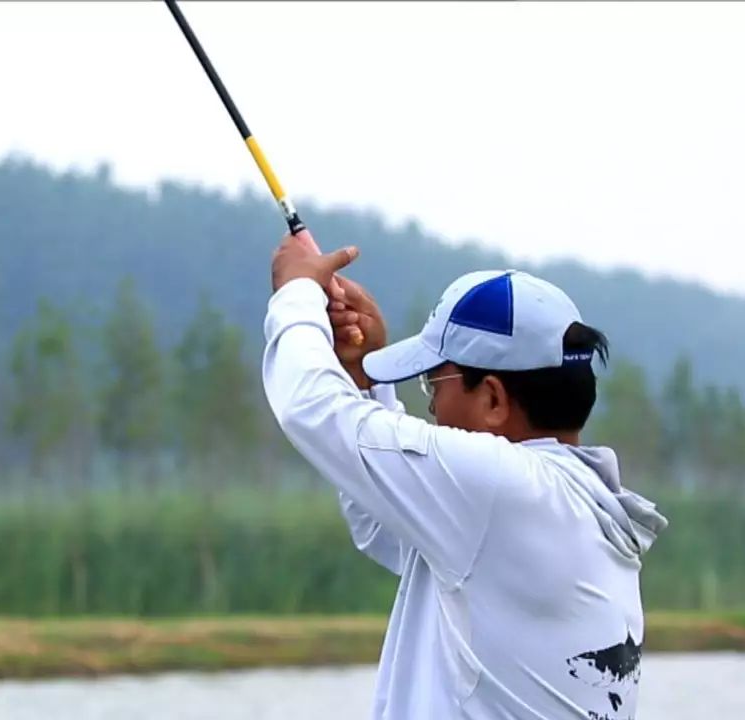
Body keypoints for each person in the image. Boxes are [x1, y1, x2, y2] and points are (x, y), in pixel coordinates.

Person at [262, 231, 668, 720]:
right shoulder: (578, 502)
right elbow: (383, 525)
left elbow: (311, 409)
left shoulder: (505, 489)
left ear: (494, 399)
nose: (430, 406)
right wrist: (360, 381)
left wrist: (297, 293)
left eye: (434, 383)